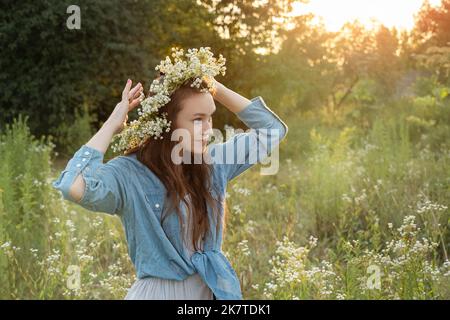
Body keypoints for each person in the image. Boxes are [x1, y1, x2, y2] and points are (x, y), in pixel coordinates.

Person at [52, 74, 288, 300]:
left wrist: (212, 85)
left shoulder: (213, 163)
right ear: (167, 121)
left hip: (209, 290)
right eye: (197, 119)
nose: (208, 130)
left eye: (210, 117)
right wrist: (112, 124)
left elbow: (272, 130)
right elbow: (72, 186)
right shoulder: (129, 173)